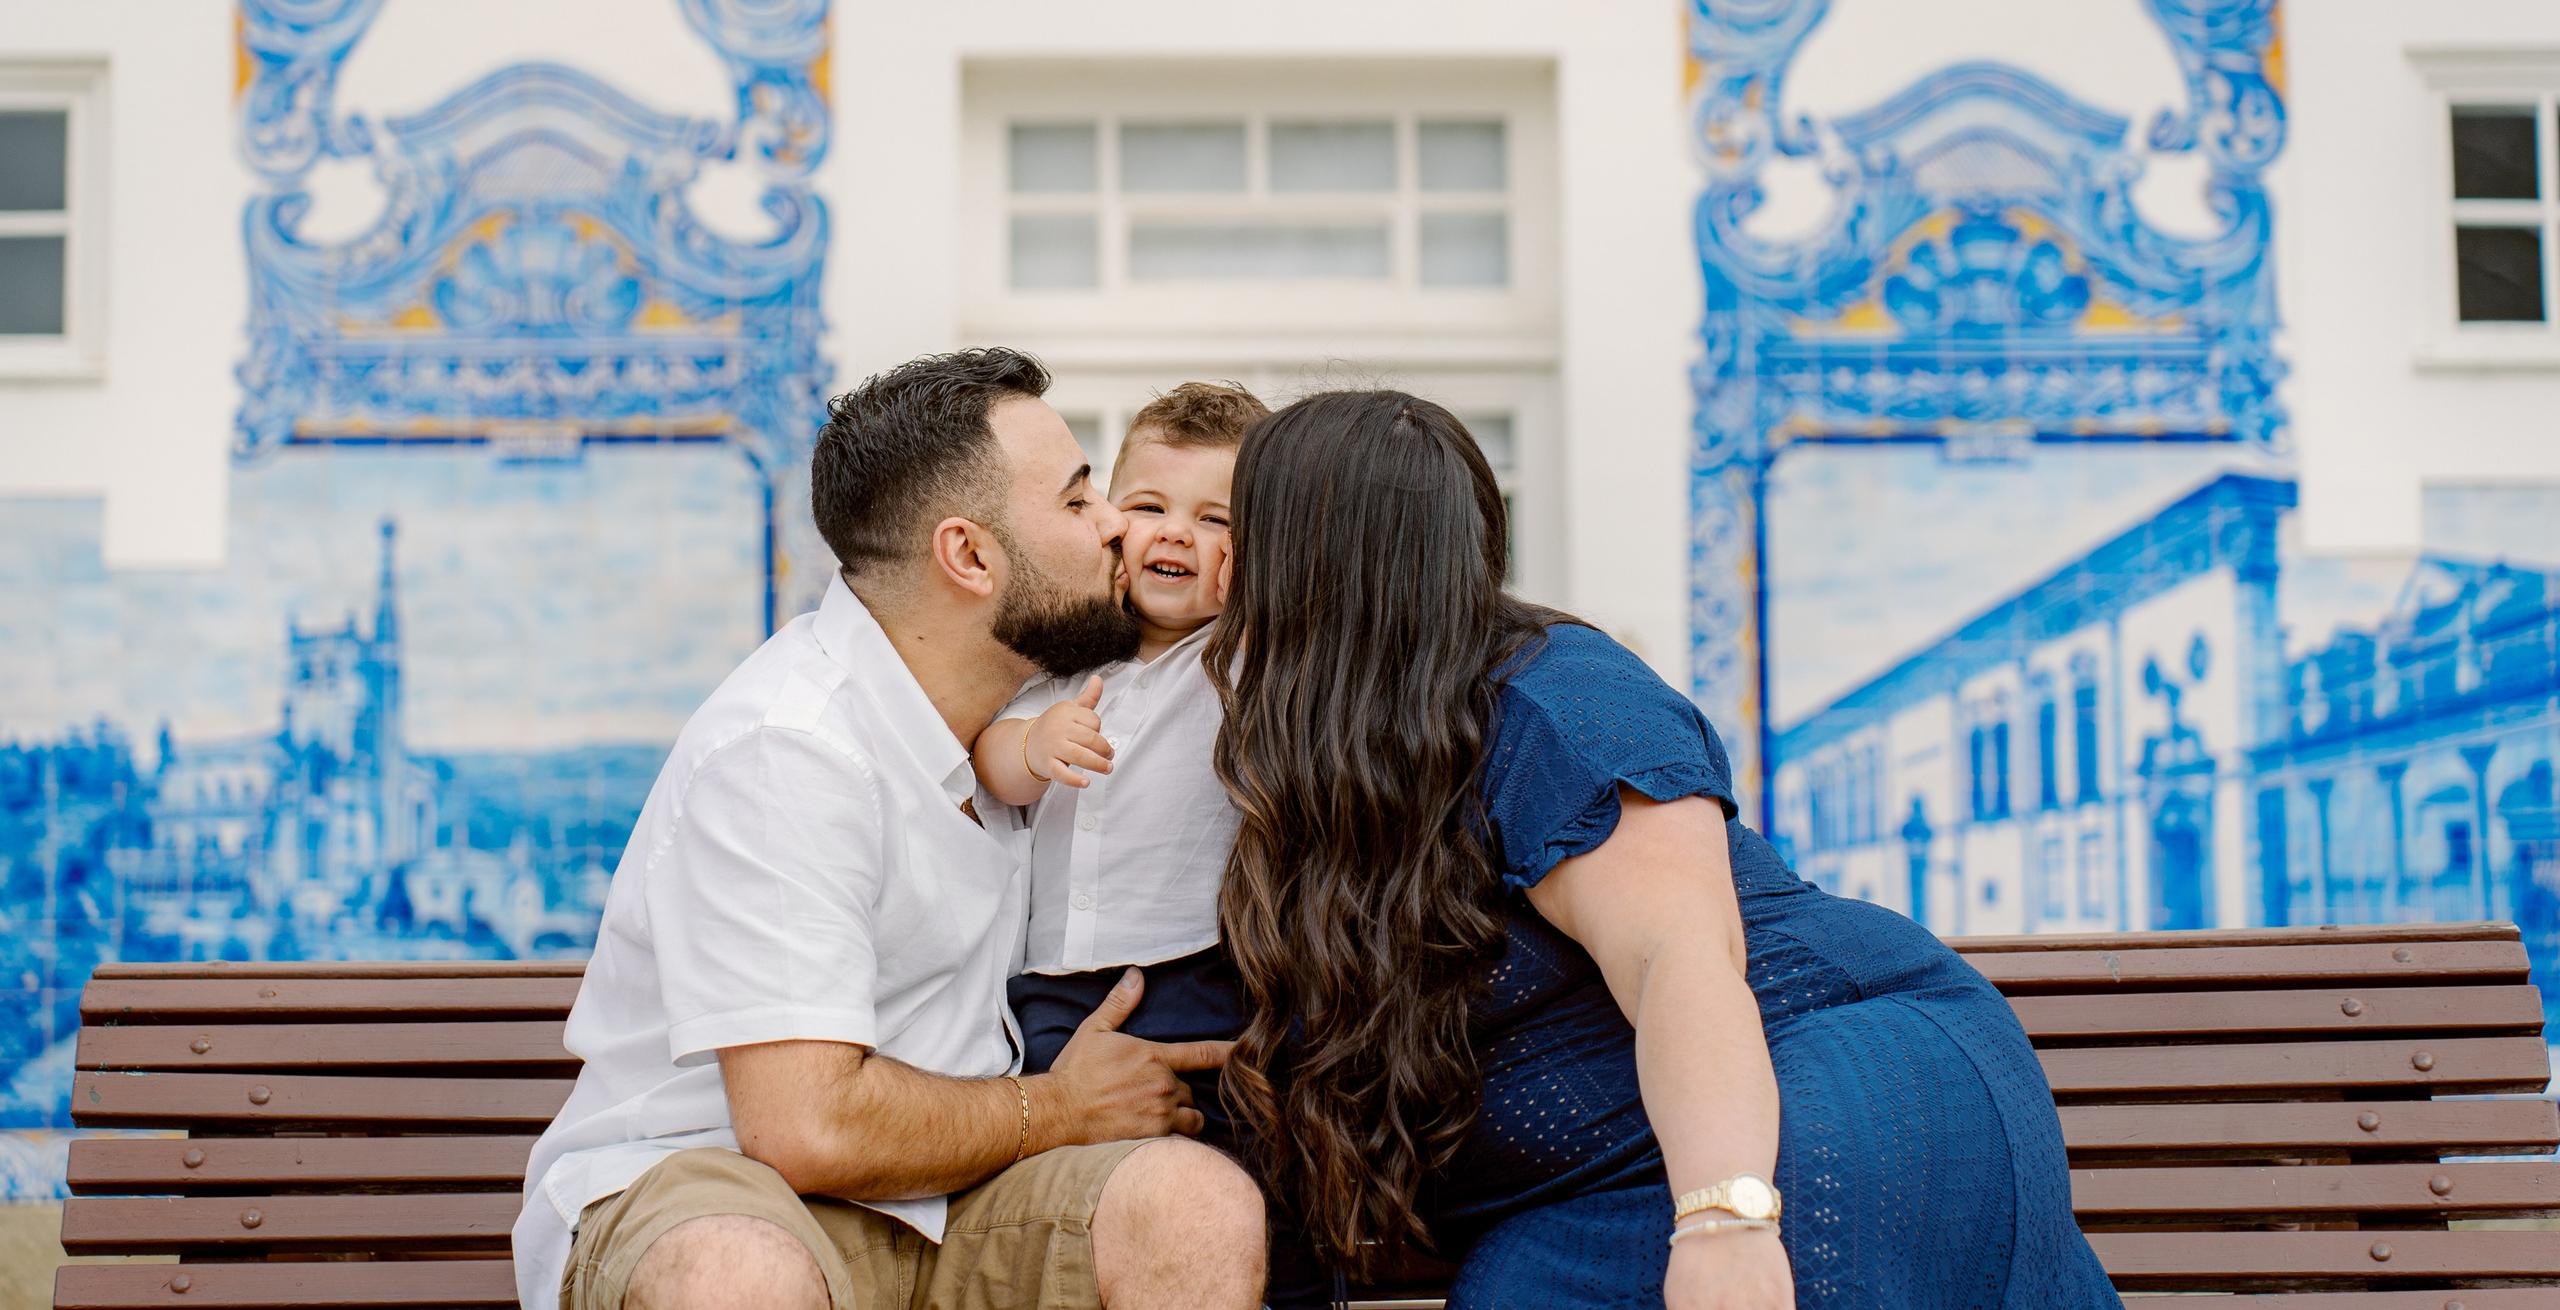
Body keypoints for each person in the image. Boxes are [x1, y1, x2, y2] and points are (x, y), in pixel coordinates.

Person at [1208, 391, 2119, 1310]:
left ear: (1312, 564)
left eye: (1238, 529)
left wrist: (1726, 1219)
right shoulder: (1329, 755)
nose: (1223, 560)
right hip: (1615, 1174)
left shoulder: (1557, 700)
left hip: (1821, 1073)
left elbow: (1677, 954)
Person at [511, 349, 1266, 1310]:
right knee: (738, 1273)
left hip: (953, 1200)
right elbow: (807, 1128)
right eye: (1080, 499)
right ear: (970, 556)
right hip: (721, 1186)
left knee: (1192, 1207)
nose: (1119, 523)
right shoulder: (789, 749)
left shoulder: (1018, 717)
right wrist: (1062, 1105)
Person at [968, 381, 1323, 1308]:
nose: (1177, 534)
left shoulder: (1245, 661)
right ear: (1108, 524)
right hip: (1050, 987)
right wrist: (1032, 748)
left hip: (1199, 977)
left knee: (1235, 1167)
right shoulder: (1065, 659)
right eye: (1152, 507)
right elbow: (991, 761)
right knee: (1064, 1175)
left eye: (1216, 520)